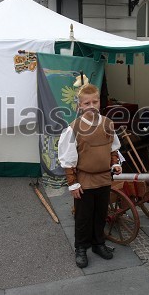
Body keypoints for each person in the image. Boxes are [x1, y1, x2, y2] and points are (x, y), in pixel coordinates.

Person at [58, 83, 122, 268]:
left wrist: (115, 163)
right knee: (83, 216)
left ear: (100, 102)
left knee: (100, 213)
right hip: (84, 179)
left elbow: (113, 147)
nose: (91, 106)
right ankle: (81, 248)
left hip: (104, 177)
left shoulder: (108, 124)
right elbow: (68, 158)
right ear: (80, 106)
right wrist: (73, 183)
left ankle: (98, 244)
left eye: (95, 101)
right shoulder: (74, 128)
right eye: (87, 103)